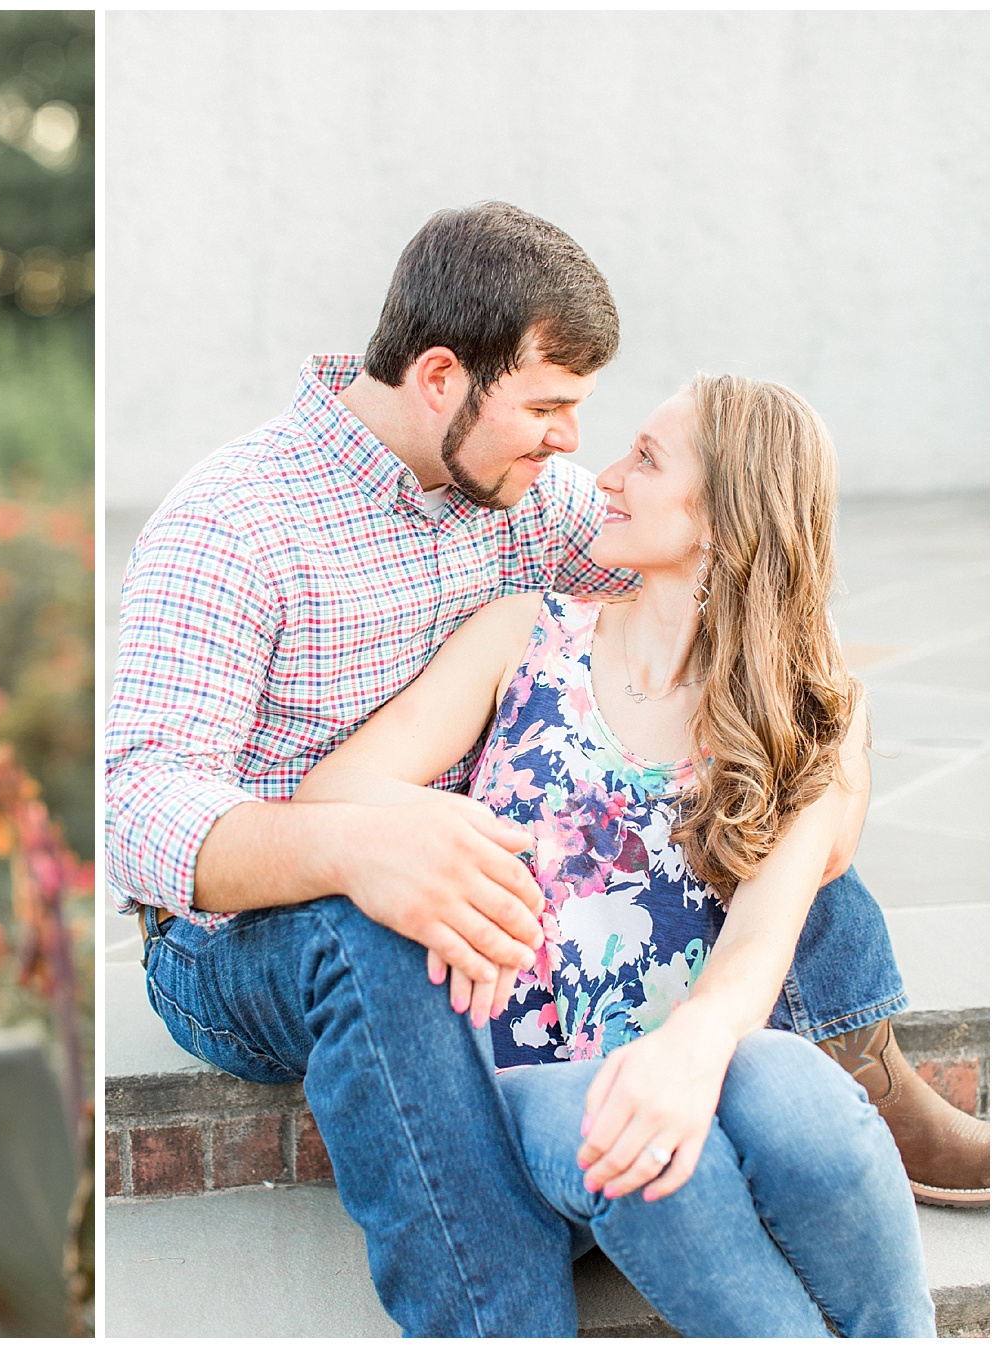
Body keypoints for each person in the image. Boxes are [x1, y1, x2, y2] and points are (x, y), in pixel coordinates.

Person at [106, 201, 987, 1335]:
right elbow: (137, 810)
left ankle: (859, 1070)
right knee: (374, 933)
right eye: (548, 406)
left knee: (744, 783)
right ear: (441, 378)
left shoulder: (527, 492)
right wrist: (361, 849)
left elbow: (751, 596)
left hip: (477, 862)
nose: (574, 443)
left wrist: (833, 749)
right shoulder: (231, 522)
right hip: (248, 930)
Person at [291, 374, 934, 1335]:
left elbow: (762, 942)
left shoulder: (805, 714)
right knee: (640, 1145)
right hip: (510, 1090)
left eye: (646, 459)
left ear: (722, 518)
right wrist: (448, 833)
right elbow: (330, 795)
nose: (605, 476)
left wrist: (685, 1057)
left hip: (678, 1066)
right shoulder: (526, 636)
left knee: (795, 1088)